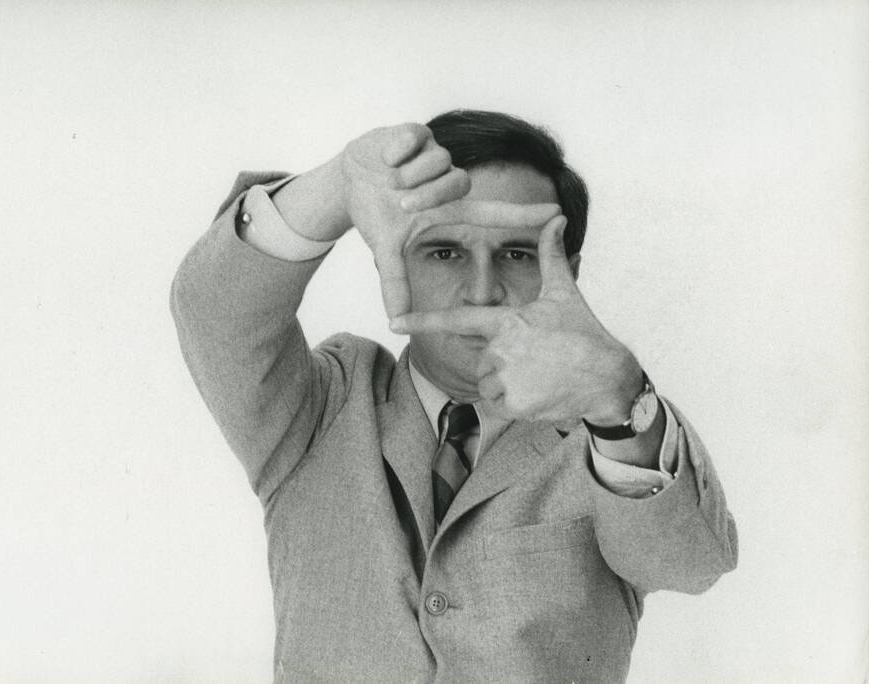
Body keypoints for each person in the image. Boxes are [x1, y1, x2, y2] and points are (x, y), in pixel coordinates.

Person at [171, 109, 737, 683]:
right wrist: (337, 186)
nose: (482, 291)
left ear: (568, 273)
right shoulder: (324, 406)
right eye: (445, 252)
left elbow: (690, 564)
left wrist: (618, 400)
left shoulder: (608, 433)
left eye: (517, 254)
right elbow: (214, 310)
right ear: (390, 259)